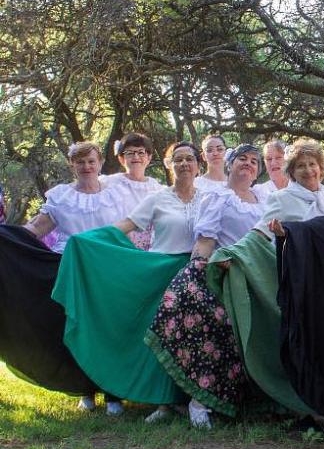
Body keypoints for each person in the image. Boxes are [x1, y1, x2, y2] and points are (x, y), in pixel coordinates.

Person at [147, 144, 265, 429]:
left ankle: (241, 399)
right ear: (230, 164)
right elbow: (205, 240)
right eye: (242, 159)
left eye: (253, 161)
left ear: (258, 171)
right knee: (207, 333)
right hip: (223, 271)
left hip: (254, 275)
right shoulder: (218, 196)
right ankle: (196, 402)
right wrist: (202, 269)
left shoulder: (263, 199)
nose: (248, 164)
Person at [24, 142, 127, 414]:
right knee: (76, 327)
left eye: (91, 161)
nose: (86, 167)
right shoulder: (62, 196)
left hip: (106, 268)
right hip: (69, 269)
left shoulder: (117, 194)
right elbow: (37, 227)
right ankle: (85, 390)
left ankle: (114, 394)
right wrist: (10, 237)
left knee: (108, 329)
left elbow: (126, 231)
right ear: (72, 165)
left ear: (100, 162)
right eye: (80, 162)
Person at [112, 142, 204, 422]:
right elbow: (126, 225)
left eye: (189, 159)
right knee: (162, 337)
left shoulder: (210, 198)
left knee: (196, 336)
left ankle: (193, 399)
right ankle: (163, 403)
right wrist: (92, 240)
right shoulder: (157, 198)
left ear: (198, 166)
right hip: (162, 271)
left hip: (198, 271)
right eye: (178, 159)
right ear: (168, 165)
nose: (184, 164)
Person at [255, 138, 324, 241]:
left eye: (312, 164)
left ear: (320, 168)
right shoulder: (281, 199)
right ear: (292, 172)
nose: (308, 170)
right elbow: (259, 236)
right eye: (301, 166)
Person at [100, 132, 164, 250]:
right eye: (130, 153)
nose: (136, 157)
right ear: (121, 158)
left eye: (141, 152)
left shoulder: (159, 190)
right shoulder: (107, 184)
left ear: (149, 157)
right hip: (116, 247)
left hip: (148, 252)